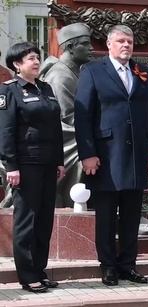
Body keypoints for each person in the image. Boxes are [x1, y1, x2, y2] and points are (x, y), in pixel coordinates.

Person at [74, 25, 148, 286]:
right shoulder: (92, 71)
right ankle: (108, 266)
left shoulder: (144, 72)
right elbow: (83, 116)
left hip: (136, 155)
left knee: (131, 215)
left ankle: (127, 265)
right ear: (110, 44)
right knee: (105, 215)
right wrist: (87, 153)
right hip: (105, 156)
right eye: (121, 41)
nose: (126, 45)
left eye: (130, 41)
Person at [0, 42, 65, 293]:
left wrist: (59, 160)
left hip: (49, 164)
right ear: (17, 64)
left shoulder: (46, 88)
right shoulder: (10, 91)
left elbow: (55, 128)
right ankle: (27, 275)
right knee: (26, 220)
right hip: (26, 165)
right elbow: (5, 132)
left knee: (44, 220)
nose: (36, 62)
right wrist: (11, 166)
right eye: (30, 59)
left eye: (37, 57)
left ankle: (40, 269)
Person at [39, 23, 93, 208]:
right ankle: (77, 202)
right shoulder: (60, 76)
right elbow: (66, 117)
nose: (91, 48)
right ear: (70, 47)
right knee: (89, 147)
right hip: (63, 136)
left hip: (75, 129)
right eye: (85, 44)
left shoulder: (76, 72)